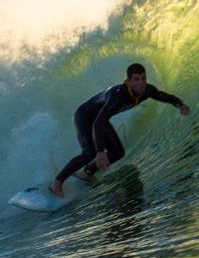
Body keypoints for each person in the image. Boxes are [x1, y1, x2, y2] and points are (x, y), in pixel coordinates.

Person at [49, 63, 189, 198]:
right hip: (85, 116)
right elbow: (97, 123)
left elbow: (168, 98)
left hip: (100, 119)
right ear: (128, 81)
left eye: (143, 78)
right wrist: (100, 152)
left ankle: (87, 172)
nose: (141, 83)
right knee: (90, 153)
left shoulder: (147, 90)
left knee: (117, 153)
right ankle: (57, 182)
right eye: (136, 79)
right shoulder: (118, 96)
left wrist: (181, 105)